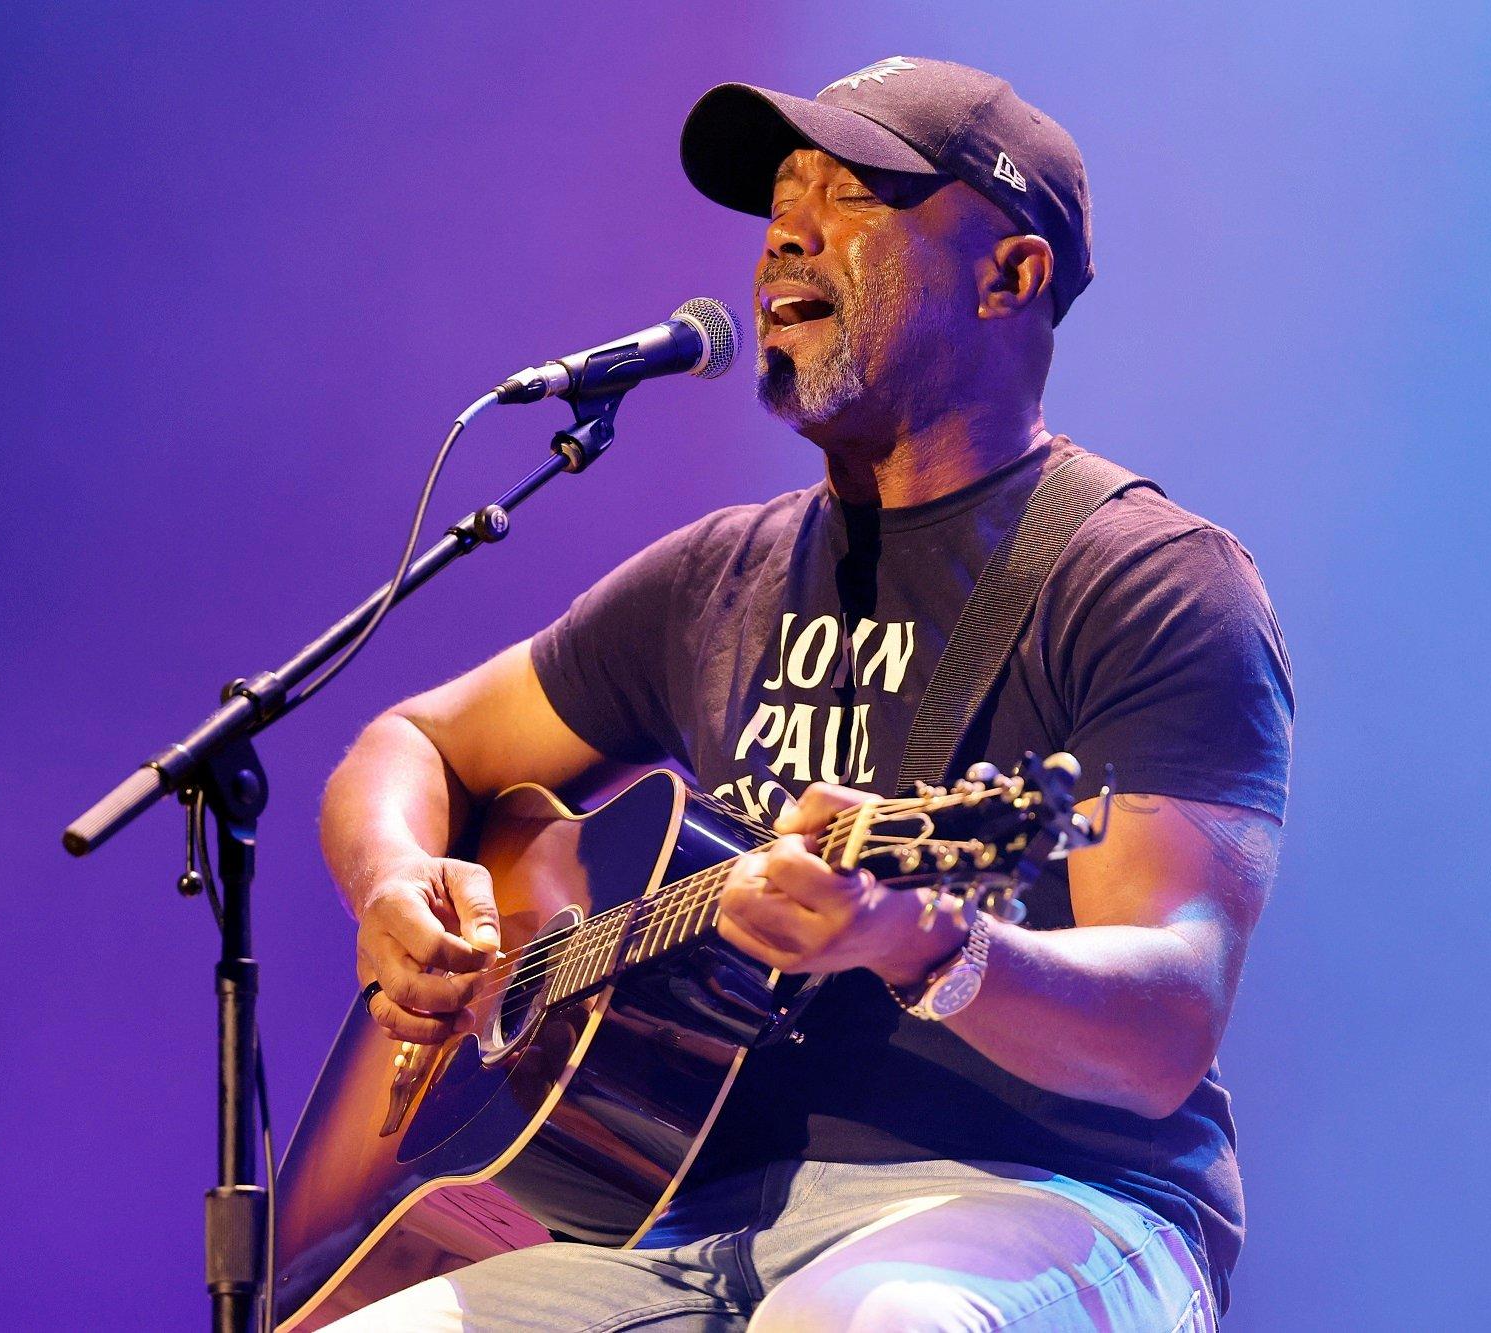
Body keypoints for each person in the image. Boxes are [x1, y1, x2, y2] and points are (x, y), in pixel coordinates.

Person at [319, 57, 1292, 1332]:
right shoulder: (721, 573)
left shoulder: (1144, 579)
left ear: (1008, 276)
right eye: (782, 194)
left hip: (1051, 1193)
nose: (786, 230)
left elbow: (1164, 1024)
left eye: (849, 193)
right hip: (683, 1215)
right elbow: (412, 742)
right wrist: (395, 882)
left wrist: (928, 940)